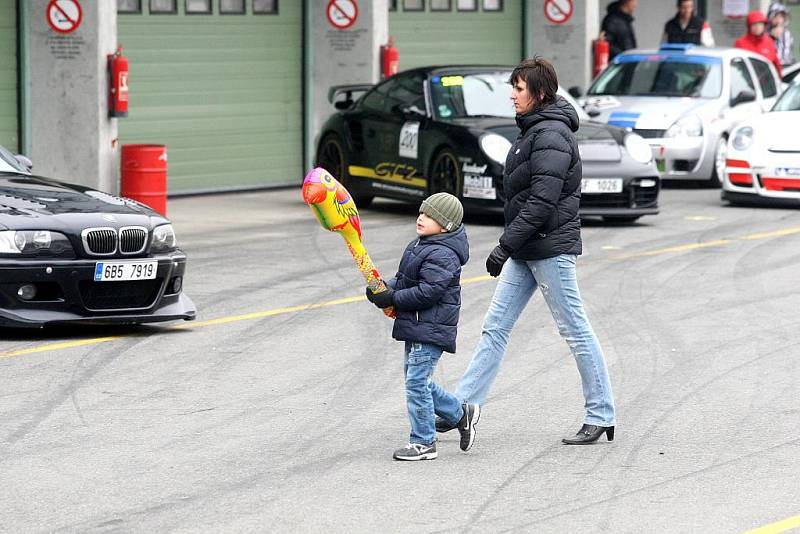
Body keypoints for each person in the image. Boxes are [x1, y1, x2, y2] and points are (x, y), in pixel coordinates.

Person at [436, 57, 616, 445]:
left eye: (519, 88)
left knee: (575, 330)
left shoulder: (550, 134)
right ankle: (462, 407)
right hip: (528, 247)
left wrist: (504, 245)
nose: (512, 95)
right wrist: (513, 246)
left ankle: (601, 413)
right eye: (513, 87)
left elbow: (542, 201)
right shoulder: (533, 129)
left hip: (549, 248)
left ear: (540, 93)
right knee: (494, 328)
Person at [365, 192, 480, 461]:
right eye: (421, 212)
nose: (421, 217)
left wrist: (393, 299)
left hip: (430, 327)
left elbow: (429, 292)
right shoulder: (421, 245)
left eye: (429, 216)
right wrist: (382, 289)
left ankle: (423, 442)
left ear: (446, 225)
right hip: (417, 325)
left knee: (416, 383)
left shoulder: (443, 254)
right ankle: (461, 414)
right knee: (418, 382)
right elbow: (405, 280)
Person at [735, 11, 783, 77]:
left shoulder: (769, 41)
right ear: (749, 26)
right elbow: (736, 67)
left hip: (767, 82)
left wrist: (778, 80)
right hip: (746, 82)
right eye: (754, 24)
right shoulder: (740, 43)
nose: (757, 27)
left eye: (760, 24)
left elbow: (776, 64)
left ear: (764, 26)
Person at [768, 2, 795, 67]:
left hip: (786, 67)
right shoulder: (765, 34)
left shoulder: (786, 34)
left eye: (781, 17)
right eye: (776, 16)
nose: (779, 19)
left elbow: (786, 54)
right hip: (770, 68)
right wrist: (772, 37)